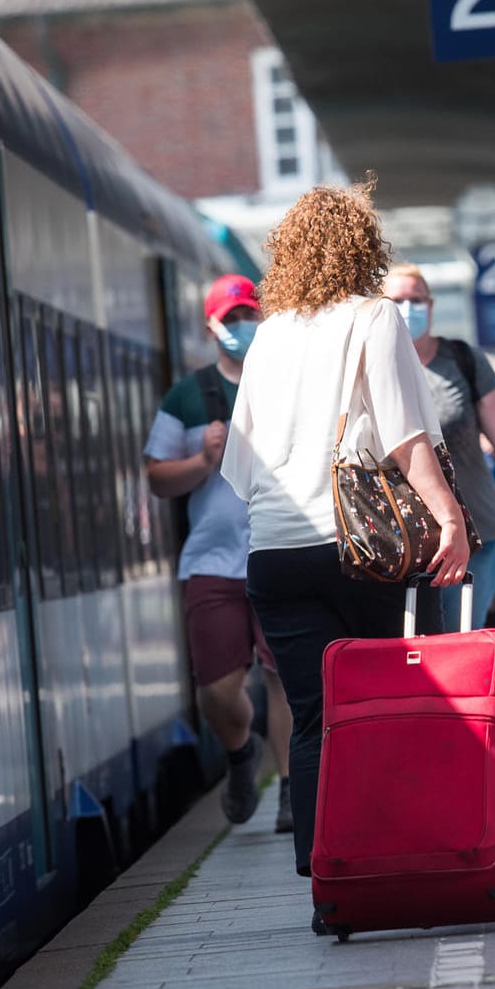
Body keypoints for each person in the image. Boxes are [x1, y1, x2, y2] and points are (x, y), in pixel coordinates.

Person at [220, 184, 470, 884]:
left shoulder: (267, 336)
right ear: (364, 249)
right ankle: (383, 853)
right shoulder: (375, 317)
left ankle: (322, 873)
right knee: (376, 706)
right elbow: (404, 436)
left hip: (273, 554)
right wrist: (450, 518)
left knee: (311, 717)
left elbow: (239, 465)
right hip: (359, 552)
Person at [145, 276, 294, 829]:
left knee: (281, 678)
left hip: (276, 549)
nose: (241, 327)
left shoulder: (285, 384)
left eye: (249, 315)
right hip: (212, 560)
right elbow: (157, 479)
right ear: (211, 326)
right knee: (216, 691)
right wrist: (202, 462)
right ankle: (239, 754)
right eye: (231, 319)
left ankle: (288, 791)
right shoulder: (188, 396)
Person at [382, 263, 495, 630]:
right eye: (397, 301)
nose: (408, 309)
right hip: (399, 540)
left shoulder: (463, 360)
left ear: (431, 306)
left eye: (416, 300)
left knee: (458, 640)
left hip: (476, 533)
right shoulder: (376, 367)